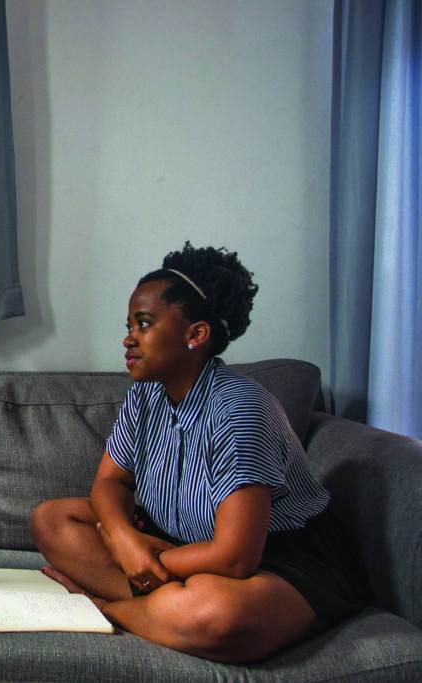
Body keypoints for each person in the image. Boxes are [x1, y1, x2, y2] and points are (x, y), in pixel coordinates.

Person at [30, 242, 369, 663]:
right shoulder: (145, 394)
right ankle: (161, 606)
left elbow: (235, 556)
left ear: (195, 335)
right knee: (53, 519)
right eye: (130, 325)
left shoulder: (240, 410)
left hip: (275, 558)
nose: (128, 338)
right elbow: (110, 482)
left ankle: (110, 608)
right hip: (179, 542)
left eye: (144, 324)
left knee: (216, 613)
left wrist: (143, 554)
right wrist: (123, 539)